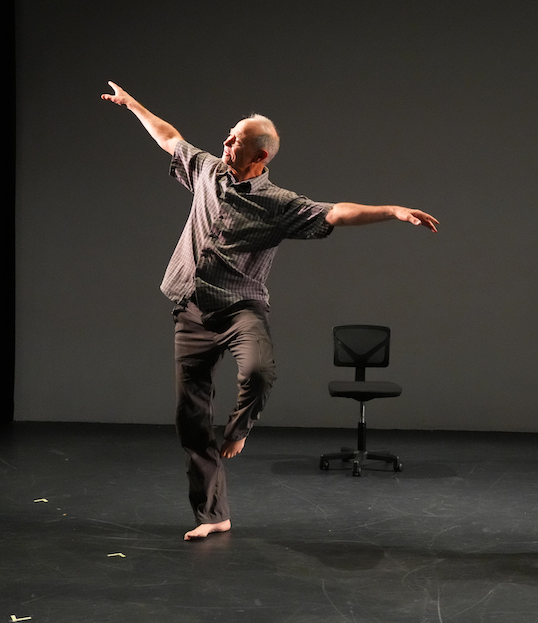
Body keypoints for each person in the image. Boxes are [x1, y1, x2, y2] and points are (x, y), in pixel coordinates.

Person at [101, 82, 439, 540]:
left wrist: (392, 210)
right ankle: (213, 514)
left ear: (260, 157)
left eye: (236, 141)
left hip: (240, 307)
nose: (225, 143)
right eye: (228, 135)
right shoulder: (205, 170)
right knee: (191, 418)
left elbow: (336, 212)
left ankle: (240, 429)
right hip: (192, 309)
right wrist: (134, 105)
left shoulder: (279, 204)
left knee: (259, 372)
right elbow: (169, 137)